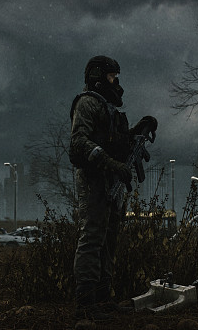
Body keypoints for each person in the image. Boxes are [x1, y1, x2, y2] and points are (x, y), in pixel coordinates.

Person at [69, 55, 158, 321]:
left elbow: (116, 142)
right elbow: (79, 143)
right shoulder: (87, 103)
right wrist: (110, 164)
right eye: (110, 76)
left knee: (108, 240)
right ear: (98, 78)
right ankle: (86, 304)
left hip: (112, 182)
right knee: (92, 238)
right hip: (95, 179)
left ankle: (103, 299)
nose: (115, 82)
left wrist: (139, 129)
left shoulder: (108, 108)